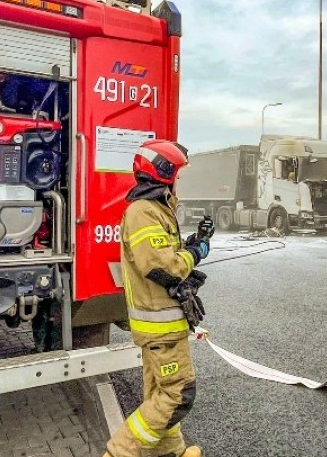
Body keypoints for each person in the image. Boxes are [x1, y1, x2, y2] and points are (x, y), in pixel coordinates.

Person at [104, 139, 212, 457]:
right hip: (160, 326)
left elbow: (164, 257)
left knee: (160, 392)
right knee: (179, 393)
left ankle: (169, 450)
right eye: (176, 173)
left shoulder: (155, 209)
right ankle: (119, 453)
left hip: (163, 323)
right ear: (163, 172)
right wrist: (197, 252)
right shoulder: (143, 212)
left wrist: (194, 242)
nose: (178, 180)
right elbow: (161, 266)